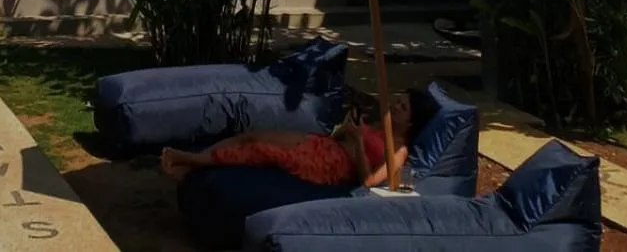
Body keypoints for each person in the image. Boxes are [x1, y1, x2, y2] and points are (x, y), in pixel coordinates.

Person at [160, 88, 439, 189]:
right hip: (324, 144)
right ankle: (195, 162)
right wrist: (347, 130)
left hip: (330, 166)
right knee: (253, 135)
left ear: (412, 121)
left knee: (261, 150)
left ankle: (191, 160)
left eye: (402, 107)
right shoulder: (379, 126)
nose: (393, 106)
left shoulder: (400, 151)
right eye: (397, 101)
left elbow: (367, 182)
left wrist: (356, 144)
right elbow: (340, 135)